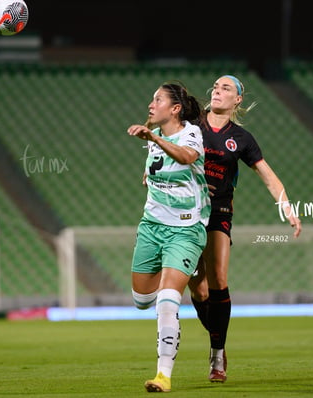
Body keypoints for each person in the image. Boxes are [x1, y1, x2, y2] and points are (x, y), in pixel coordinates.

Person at [188, 75, 302, 383]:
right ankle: (218, 340)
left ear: (237, 100)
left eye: (226, 88)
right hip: (187, 212)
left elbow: (268, 176)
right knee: (196, 289)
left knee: (218, 280)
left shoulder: (242, 138)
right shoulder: (191, 126)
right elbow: (165, 149)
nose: (218, 90)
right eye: (216, 86)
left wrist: (287, 208)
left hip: (219, 212)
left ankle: (216, 357)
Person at [127, 82, 211, 393]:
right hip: (151, 226)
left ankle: (163, 375)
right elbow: (155, 152)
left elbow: (188, 157)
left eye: (158, 99)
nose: (151, 104)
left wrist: (151, 136)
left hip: (186, 229)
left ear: (175, 109)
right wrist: (148, 172)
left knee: (166, 300)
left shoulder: (190, 133)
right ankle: (184, 278)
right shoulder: (154, 132)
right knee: (141, 301)